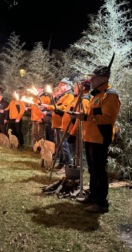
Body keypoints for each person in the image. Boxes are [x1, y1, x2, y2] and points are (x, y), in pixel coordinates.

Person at [72, 55, 121, 213]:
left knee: (99, 170)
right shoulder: (96, 96)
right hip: (91, 137)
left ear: (102, 78)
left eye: (93, 77)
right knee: (93, 169)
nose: (90, 80)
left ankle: (101, 203)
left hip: (100, 138)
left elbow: (107, 118)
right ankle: (93, 196)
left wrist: (85, 117)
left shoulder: (110, 95)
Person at [41, 78, 75, 169]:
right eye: (59, 84)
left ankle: (67, 165)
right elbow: (56, 107)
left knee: (64, 145)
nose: (59, 86)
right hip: (58, 123)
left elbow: (63, 108)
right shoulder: (63, 95)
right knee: (60, 144)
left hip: (62, 123)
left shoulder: (69, 95)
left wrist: (48, 107)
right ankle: (61, 163)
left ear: (67, 86)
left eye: (61, 85)